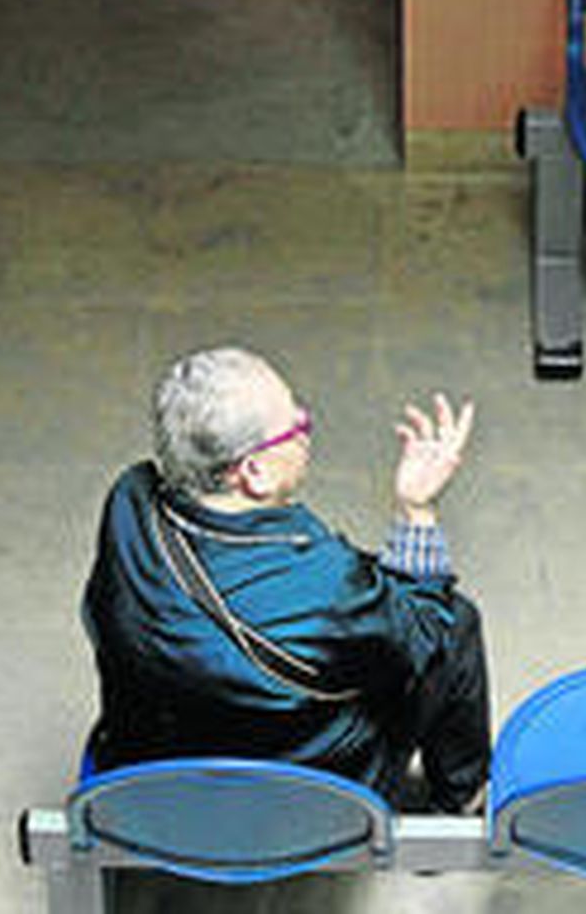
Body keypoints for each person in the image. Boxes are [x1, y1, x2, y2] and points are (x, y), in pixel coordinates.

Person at [83, 347, 491, 812]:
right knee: (456, 623)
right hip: (303, 799)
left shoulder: (128, 502)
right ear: (252, 472)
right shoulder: (324, 585)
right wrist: (415, 510)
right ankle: (460, 800)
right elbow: (423, 630)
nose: (304, 427)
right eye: (297, 426)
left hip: (150, 770)